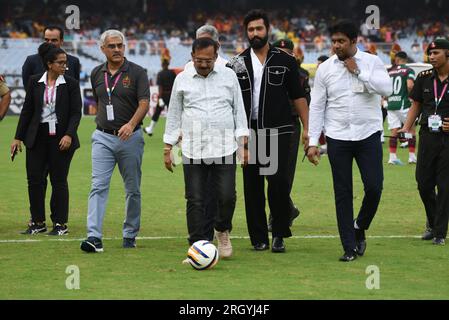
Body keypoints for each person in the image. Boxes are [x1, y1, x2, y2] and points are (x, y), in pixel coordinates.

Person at [307, 20, 392, 262]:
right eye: (333, 41)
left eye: (341, 41)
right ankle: (349, 246)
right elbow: (317, 105)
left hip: (368, 135)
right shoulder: (325, 69)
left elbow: (387, 90)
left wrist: (358, 71)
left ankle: (359, 226)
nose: (336, 46)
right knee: (342, 192)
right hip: (337, 137)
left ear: (354, 41)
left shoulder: (372, 62)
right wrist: (314, 141)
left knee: (374, 187)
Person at [228, 10, 309, 253]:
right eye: (250, 30)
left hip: (277, 131)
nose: (255, 33)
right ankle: (259, 238)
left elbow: (298, 97)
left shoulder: (285, 61)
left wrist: (307, 128)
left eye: (259, 29)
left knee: (277, 184)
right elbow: (230, 101)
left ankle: (280, 234)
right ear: (246, 32)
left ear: (267, 30)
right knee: (252, 187)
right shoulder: (236, 63)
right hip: (248, 132)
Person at [163, 37, 249, 259]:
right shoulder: (182, 79)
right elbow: (173, 114)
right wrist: (167, 147)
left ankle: (222, 229)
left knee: (227, 196)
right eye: (200, 60)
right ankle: (196, 246)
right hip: (193, 148)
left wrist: (243, 145)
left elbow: (239, 110)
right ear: (192, 56)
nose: (203, 64)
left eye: (208, 60)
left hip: (224, 147)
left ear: (216, 56)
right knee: (195, 199)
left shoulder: (228, 76)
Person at [80, 30, 150, 253]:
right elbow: (102, 100)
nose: (117, 49)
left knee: (132, 190)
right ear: (102, 49)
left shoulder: (138, 72)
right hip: (102, 137)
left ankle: (130, 233)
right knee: (98, 186)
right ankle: (94, 236)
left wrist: (130, 124)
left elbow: (144, 103)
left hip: (131, 138)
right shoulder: (96, 73)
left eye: (120, 45)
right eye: (112, 46)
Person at [11, 42, 82, 235]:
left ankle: (60, 224)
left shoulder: (71, 84)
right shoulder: (35, 81)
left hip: (61, 139)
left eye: (65, 63)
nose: (64, 66)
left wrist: (69, 134)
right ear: (49, 64)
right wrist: (18, 138)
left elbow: (76, 113)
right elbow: (27, 111)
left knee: (58, 181)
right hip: (37, 138)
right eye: (60, 63)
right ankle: (37, 222)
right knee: (34, 180)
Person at [399, 39, 449, 245]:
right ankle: (433, 220)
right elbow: (416, 105)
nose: (432, 57)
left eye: (436, 53)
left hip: (448, 139)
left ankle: (439, 232)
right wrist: (406, 127)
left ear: (447, 53)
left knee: (445, 186)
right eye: (430, 53)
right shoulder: (424, 77)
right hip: (428, 136)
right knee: (423, 183)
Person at [267, 38, 310, 232]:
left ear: (293, 54)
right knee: (268, 171)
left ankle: (276, 216)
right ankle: (287, 208)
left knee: (285, 173)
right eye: (279, 51)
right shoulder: (265, 70)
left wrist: (307, 130)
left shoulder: (301, 74)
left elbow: (305, 102)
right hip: (266, 124)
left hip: (291, 125)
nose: (284, 55)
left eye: (287, 52)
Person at [386, 51, 417, 165]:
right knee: (411, 129)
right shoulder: (409, 70)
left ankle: (392, 157)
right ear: (405, 59)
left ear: (397, 59)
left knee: (394, 131)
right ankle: (412, 156)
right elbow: (410, 85)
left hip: (391, 104)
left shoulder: (389, 71)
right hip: (404, 104)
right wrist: (412, 97)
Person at [144, 58, 176, 136]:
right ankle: (173, 132)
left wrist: (160, 98)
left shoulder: (160, 74)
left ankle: (150, 129)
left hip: (163, 95)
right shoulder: (172, 73)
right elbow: (175, 85)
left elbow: (160, 87)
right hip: (171, 96)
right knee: (172, 114)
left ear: (162, 64)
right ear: (168, 64)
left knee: (157, 112)